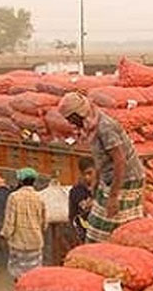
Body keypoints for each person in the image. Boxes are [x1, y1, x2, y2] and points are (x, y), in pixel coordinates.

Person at [57, 92, 145, 242]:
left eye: (71, 119)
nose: (70, 123)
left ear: (79, 113)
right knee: (95, 223)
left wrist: (113, 197)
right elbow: (102, 160)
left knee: (107, 229)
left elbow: (120, 161)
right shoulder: (92, 126)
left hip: (126, 179)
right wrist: (96, 186)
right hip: (109, 178)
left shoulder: (105, 128)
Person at [0, 168, 46, 281]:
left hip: (18, 244)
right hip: (36, 243)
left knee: (18, 275)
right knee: (34, 276)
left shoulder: (14, 197)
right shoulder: (39, 197)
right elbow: (44, 224)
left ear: (20, 181)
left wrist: (3, 236)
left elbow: (9, 223)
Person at [67, 156, 96, 245]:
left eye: (90, 173)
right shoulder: (76, 191)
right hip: (82, 234)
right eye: (84, 174)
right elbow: (73, 215)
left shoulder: (102, 188)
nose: (87, 177)